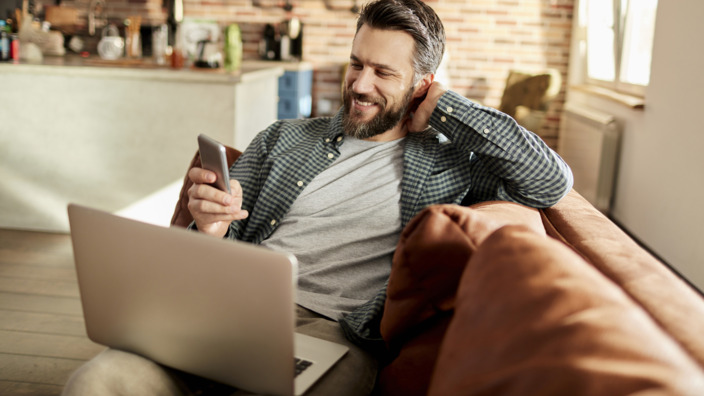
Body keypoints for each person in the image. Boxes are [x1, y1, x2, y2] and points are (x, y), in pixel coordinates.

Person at [62, 0, 573, 395]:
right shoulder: (283, 138)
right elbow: (219, 245)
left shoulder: (449, 165)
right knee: (99, 380)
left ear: (423, 85)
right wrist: (210, 228)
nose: (360, 85)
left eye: (384, 73)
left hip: (335, 337)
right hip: (228, 313)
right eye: (357, 64)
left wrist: (446, 109)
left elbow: (550, 182)